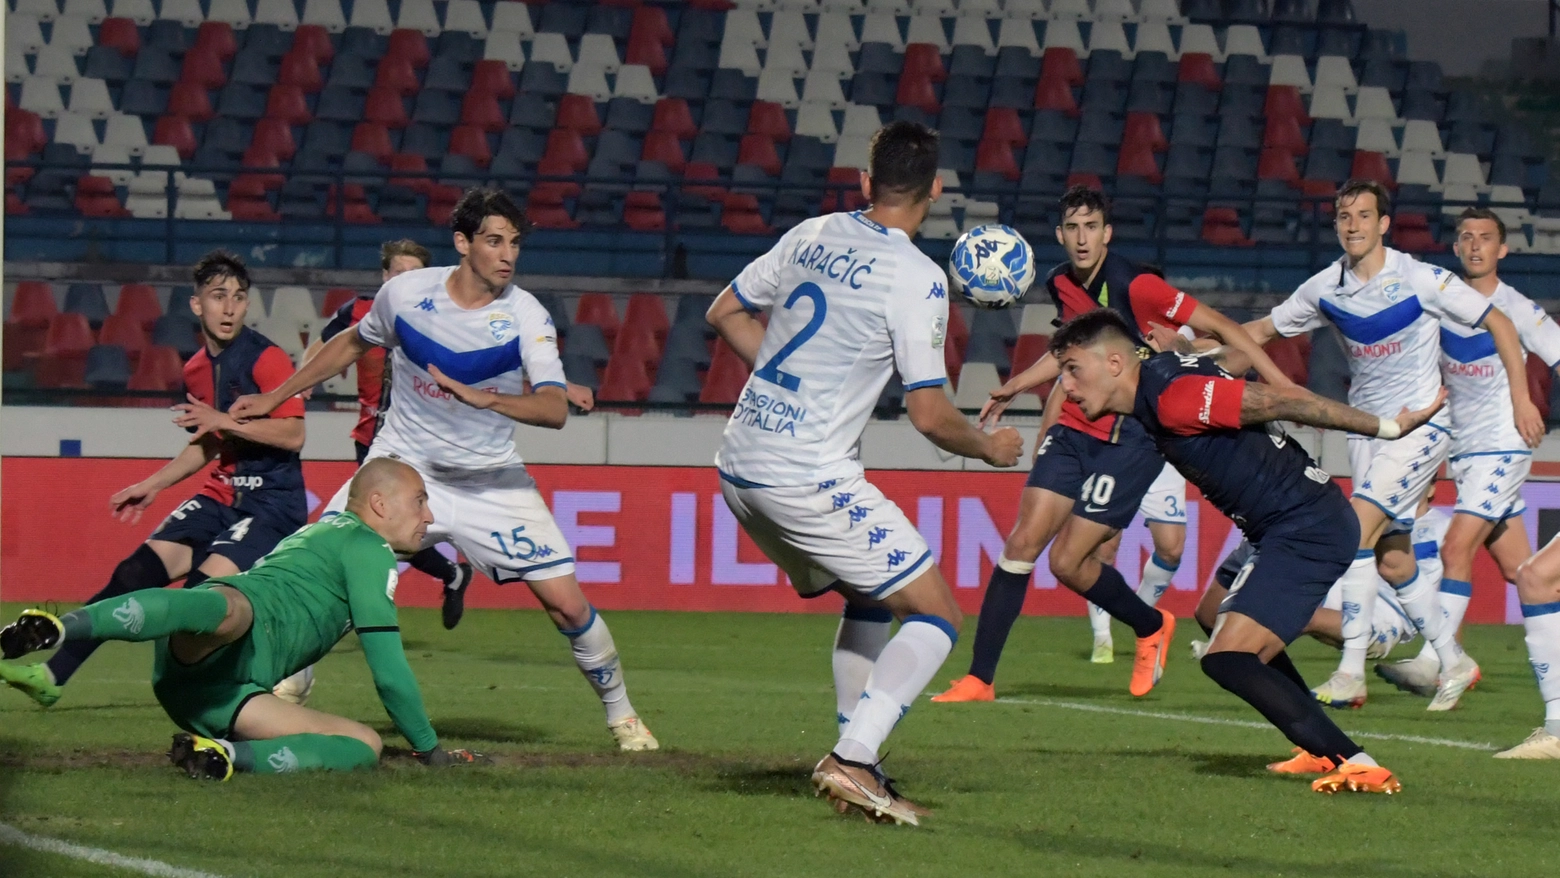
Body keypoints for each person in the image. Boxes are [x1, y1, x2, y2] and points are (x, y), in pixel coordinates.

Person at [230, 188, 658, 752]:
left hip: (490, 481)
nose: (507, 255)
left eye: (515, 244)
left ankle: (624, 719)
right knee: (321, 577)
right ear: (463, 243)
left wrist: (491, 401)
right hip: (402, 470)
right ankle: (281, 700)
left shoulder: (526, 314)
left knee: (567, 603)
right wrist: (277, 397)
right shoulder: (405, 294)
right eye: (494, 241)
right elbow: (350, 345)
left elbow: (554, 408)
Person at [706, 121, 1023, 825]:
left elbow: (724, 309)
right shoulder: (916, 278)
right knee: (937, 611)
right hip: (804, 474)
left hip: (738, 466)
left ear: (864, 182)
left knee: (871, 595)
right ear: (936, 191)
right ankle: (852, 759)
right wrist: (988, 447)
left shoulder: (811, 232)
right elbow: (931, 416)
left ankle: (860, 754)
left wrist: (793, 387)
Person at [1050, 308, 1445, 794]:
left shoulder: (1175, 398)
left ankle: (1356, 761)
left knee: (1227, 659)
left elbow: (1277, 401)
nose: (1065, 386)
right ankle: (1315, 748)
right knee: (1213, 613)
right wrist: (1187, 347)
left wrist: (1387, 428)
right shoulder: (1162, 373)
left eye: (1072, 369)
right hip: (1275, 525)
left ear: (1114, 363)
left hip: (1307, 527)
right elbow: (1230, 355)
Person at [933, 185, 1295, 703]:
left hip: (1133, 437)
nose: (1082, 238)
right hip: (1076, 428)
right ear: (1060, 235)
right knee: (1021, 544)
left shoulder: (1137, 284)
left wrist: (1282, 388)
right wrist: (1015, 385)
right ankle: (979, 678)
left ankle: (1150, 625)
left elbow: (1224, 327)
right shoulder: (1060, 281)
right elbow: (1066, 354)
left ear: (1107, 233)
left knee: (1067, 563)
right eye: (1072, 228)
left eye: (1091, 227)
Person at [1222, 179, 1541, 710]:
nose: (1353, 226)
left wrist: (1522, 400)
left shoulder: (1420, 278)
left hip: (1422, 428)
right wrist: (1194, 345)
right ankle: (1453, 659)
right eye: (1344, 216)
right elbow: (1261, 330)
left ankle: (1351, 671)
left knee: (1352, 530)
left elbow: (1501, 324)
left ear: (1383, 224)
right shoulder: (1327, 286)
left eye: (1364, 216)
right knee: (1392, 560)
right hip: (1367, 432)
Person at [0, 459, 482, 778]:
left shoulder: (325, 530)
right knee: (230, 607)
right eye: (420, 499)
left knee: (364, 743)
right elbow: (389, 671)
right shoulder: (368, 548)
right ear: (380, 504)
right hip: (220, 655)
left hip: (218, 694)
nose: (428, 514)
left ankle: (223, 756)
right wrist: (427, 748)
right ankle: (60, 628)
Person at [0, 252, 307, 708]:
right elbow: (208, 441)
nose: (229, 308)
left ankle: (253, 686)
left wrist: (223, 419)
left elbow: (293, 434)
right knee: (133, 574)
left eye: (238, 298)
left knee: (196, 601)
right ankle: (51, 675)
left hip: (269, 504)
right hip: (220, 496)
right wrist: (155, 484)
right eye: (218, 297)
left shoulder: (268, 359)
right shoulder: (195, 369)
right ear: (197, 305)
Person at [306, 240, 599, 630]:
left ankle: (376, 607)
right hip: (376, 435)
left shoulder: (442, 312)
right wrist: (295, 384)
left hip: (423, 442)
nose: (404, 280)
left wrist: (562, 383)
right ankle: (443, 577)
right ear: (384, 277)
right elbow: (328, 344)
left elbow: (492, 362)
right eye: (397, 273)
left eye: (413, 273)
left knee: (385, 536)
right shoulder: (365, 309)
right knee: (378, 538)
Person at [1376, 207, 1560, 710]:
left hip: (1505, 443)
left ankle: (1440, 662)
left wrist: (1526, 401)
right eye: (1466, 238)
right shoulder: (1440, 303)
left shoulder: (1517, 308)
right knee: (1522, 571)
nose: (1475, 246)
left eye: (1486, 238)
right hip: (1466, 451)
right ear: (1455, 248)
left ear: (1502, 250)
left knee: (1456, 547)